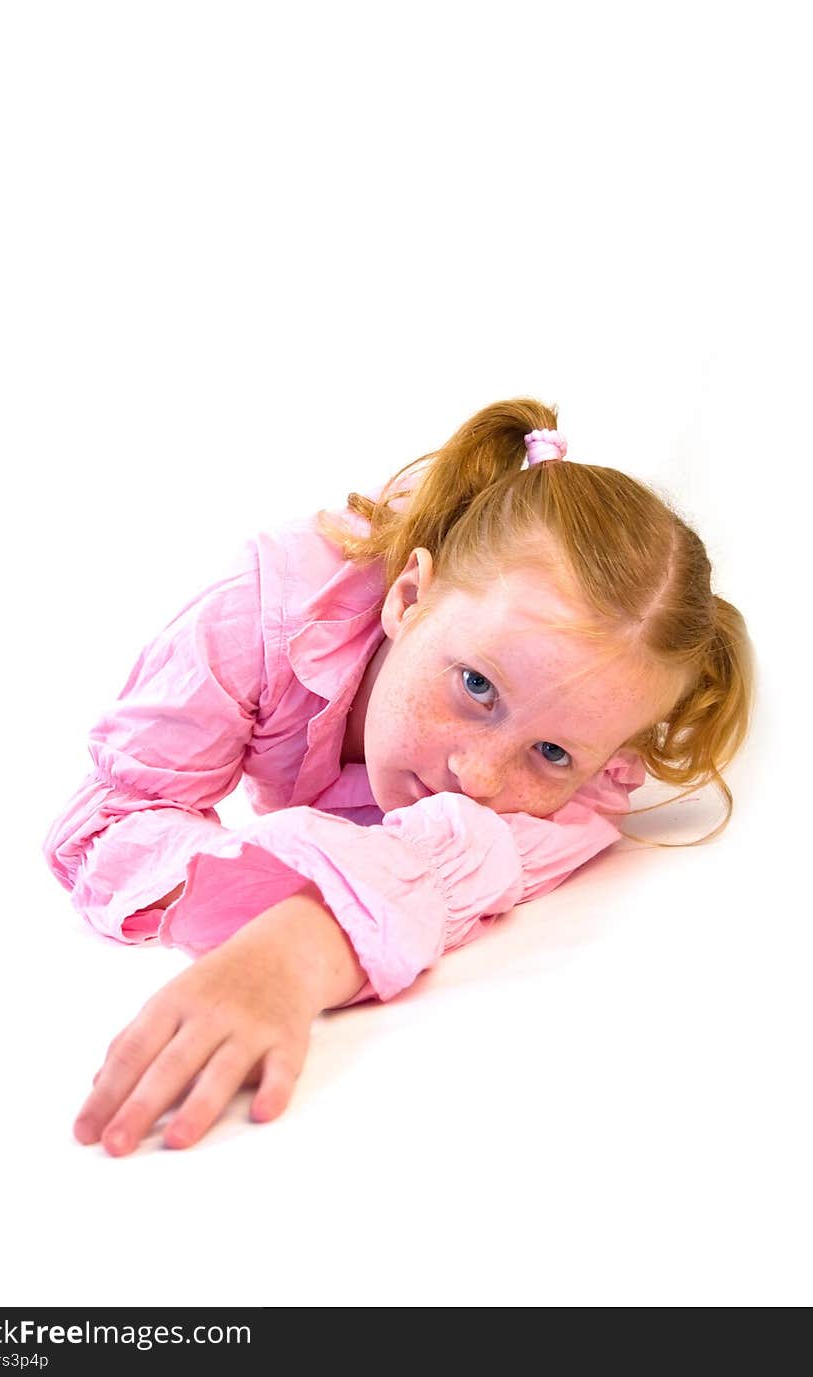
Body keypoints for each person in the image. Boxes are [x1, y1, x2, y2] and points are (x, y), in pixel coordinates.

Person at [42, 397, 755, 1157]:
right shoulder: (260, 613)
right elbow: (106, 820)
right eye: (477, 686)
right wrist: (286, 882)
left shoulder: (586, 776)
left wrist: (304, 942)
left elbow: (473, 851)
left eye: (549, 753)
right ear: (408, 598)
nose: (478, 777)